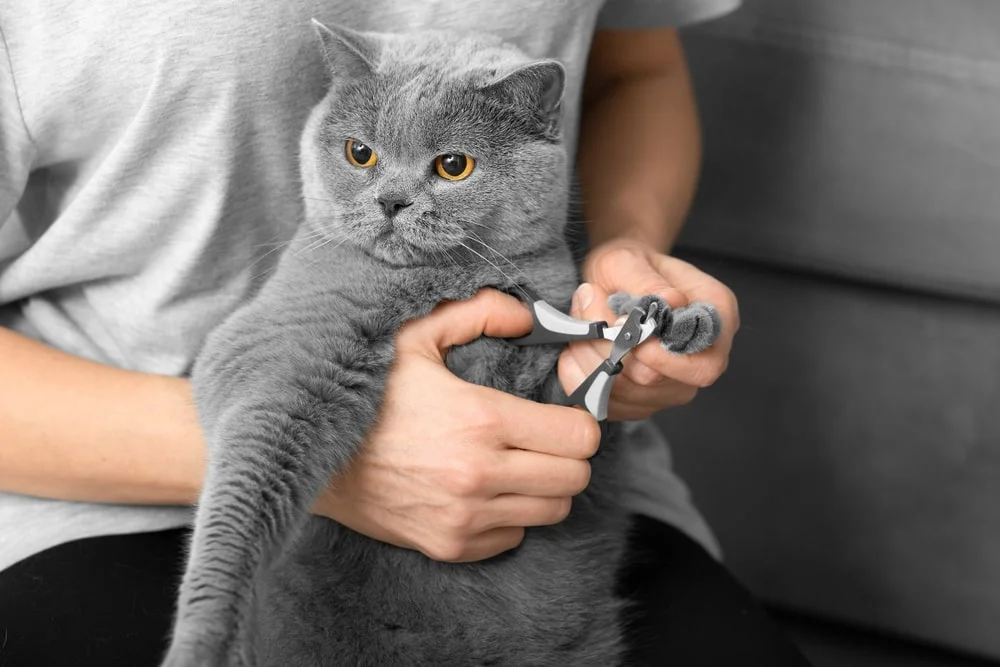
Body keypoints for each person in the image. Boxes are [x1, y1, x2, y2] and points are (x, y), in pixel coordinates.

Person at [0, 1, 810, 665]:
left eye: (450, 167)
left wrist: (626, 262)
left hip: (537, 502)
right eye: (360, 155)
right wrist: (338, 454)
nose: (391, 198)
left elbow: (637, 68)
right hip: (109, 478)